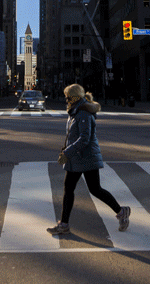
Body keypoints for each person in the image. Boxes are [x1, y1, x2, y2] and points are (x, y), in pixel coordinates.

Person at [47, 83, 130, 235]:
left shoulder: (83, 113)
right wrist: (66, 150)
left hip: (87, 158)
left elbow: (84, 139)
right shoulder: (76, 110)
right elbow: (72, 136)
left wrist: (67, 153)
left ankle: (121, 211)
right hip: (77, 157)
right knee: (70, 188)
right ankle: (64, 224)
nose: (66, 100)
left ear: (74, 97)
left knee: (95, 189)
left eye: (67, 98)